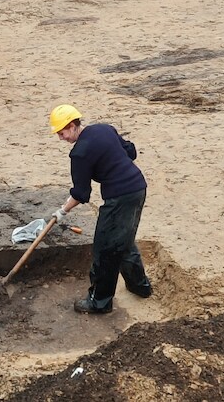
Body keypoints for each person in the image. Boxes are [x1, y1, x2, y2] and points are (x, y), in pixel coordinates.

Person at [47, 104, 152, 314]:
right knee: (123, 241)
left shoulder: (80, 153)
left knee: (105, 249)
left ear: (72, 124)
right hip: (138, 188)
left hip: (119, 199)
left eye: (62, 132)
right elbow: (130, 151)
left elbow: (81, 193)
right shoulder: (104, 129)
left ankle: (99, 301)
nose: (61, 138)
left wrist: (62, 211)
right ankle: (140, 287)